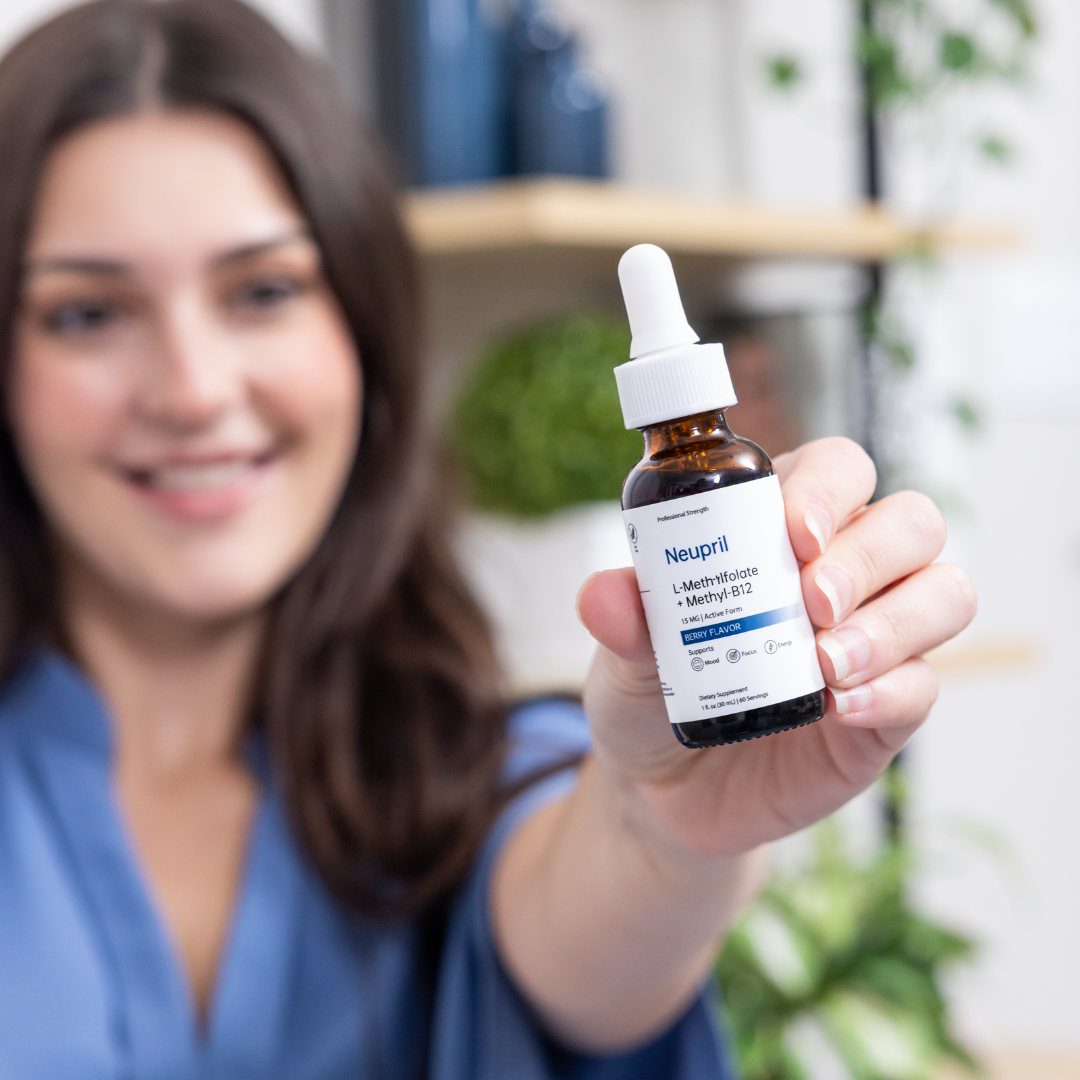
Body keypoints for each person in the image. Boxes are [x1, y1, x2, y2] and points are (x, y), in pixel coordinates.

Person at [0, 1, 977, 1076]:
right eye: (87, 313)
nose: (191, 392)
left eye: (265, 290)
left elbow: (579, 942)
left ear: (364, 332)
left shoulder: (479, 769)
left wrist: (663, 834)